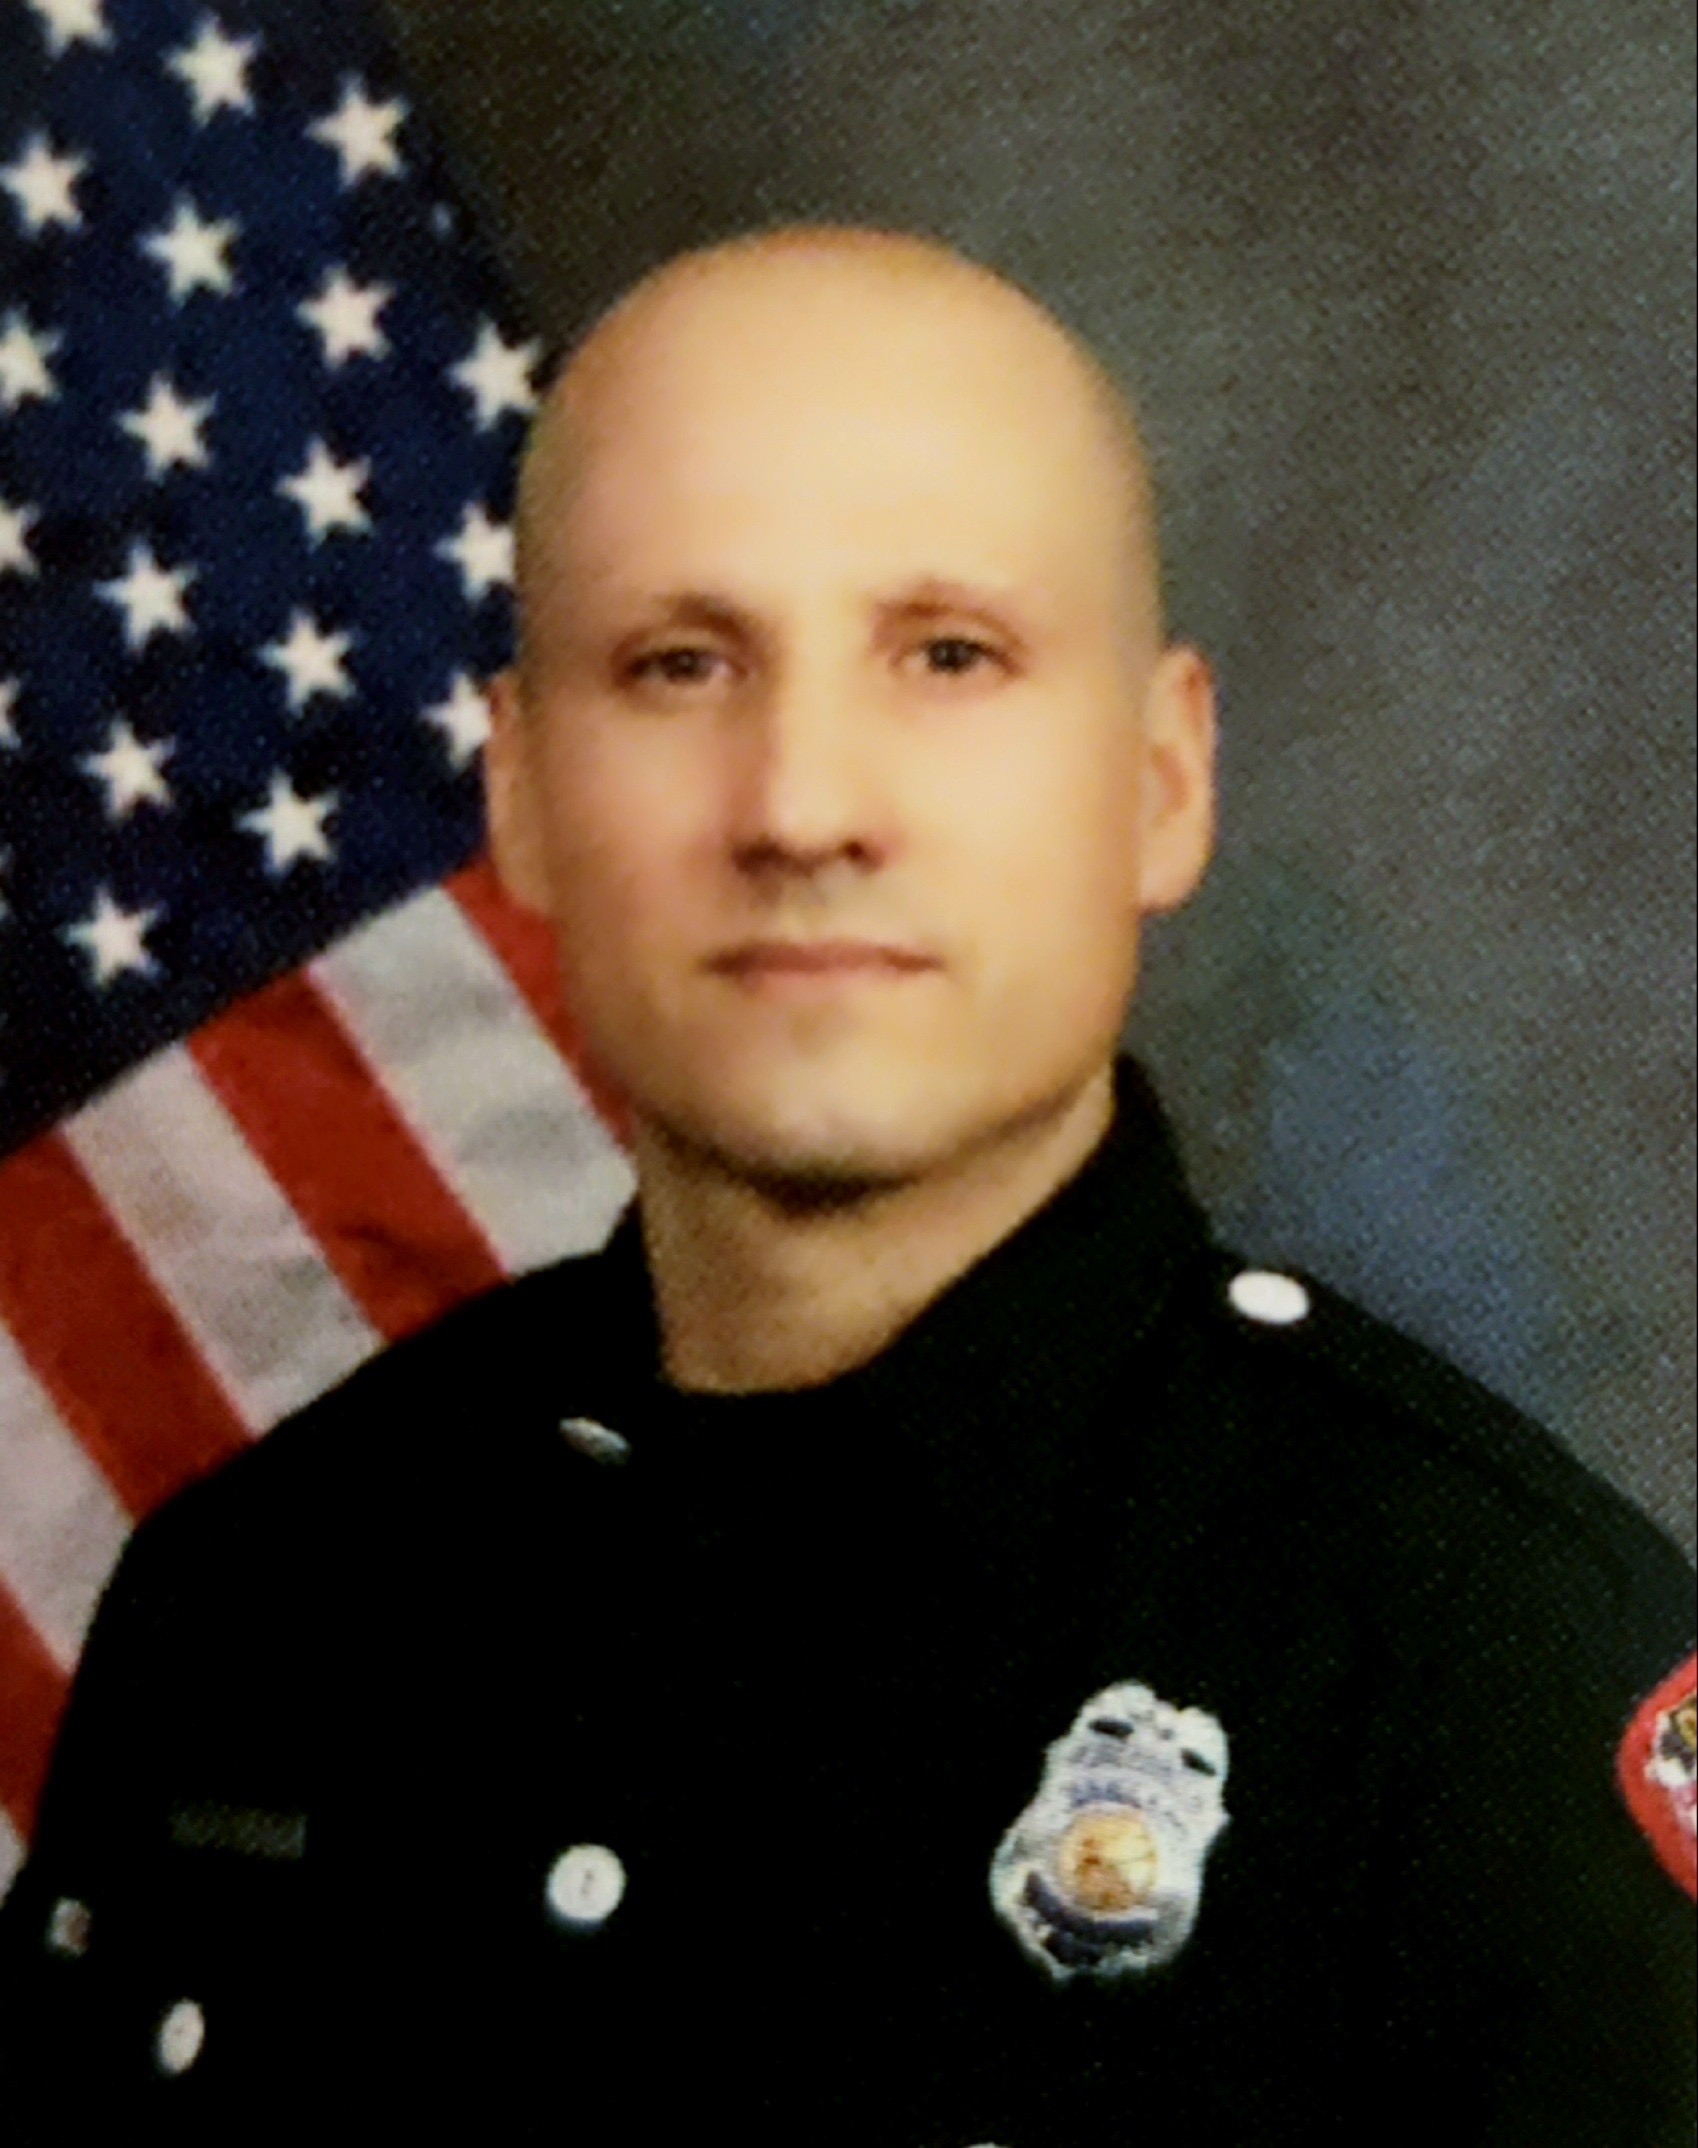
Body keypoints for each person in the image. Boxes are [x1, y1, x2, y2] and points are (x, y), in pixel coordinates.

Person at [1, 223, 1692, 2145]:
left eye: (948, 655)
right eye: (678, 663)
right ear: (523, 795)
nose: (801, 806)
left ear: (1160, 784)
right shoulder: (258, 1605)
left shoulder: (1493, 1683)